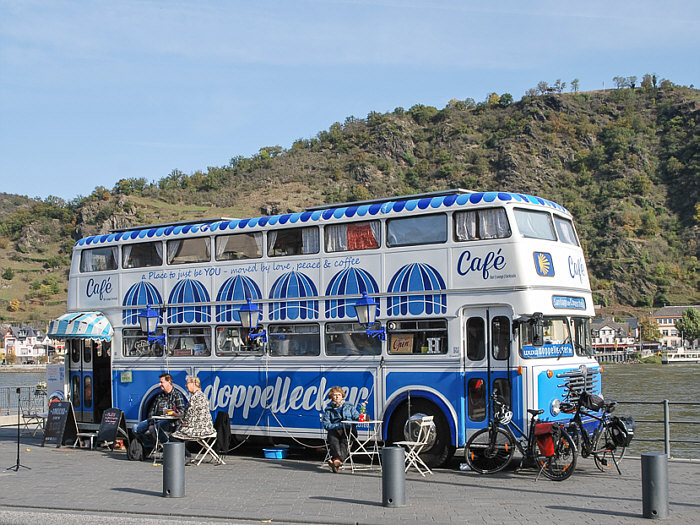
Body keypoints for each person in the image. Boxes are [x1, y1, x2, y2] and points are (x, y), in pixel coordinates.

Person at [132, 373, 186, 452]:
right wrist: (151, 423)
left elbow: (182, 410)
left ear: (169, 382)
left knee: (156, 428)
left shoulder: (177, 395)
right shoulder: (159, 396)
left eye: (161, 382)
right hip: (155, 420)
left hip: (170, 421)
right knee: (135, 428)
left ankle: (169, 448)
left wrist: (172, 412)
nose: (159, 384)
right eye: (159, 382)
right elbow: (152, 411)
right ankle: (149, 446)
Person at [321, 386, 360, 473]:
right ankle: (337, 461)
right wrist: (338, 427)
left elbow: (356, 416)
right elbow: (326, 424)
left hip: (348, 429)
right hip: (335, 430)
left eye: (339, 395)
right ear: (331, 397)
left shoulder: (349, 406)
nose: (337, 397)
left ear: (342, 396)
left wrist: (362, 417)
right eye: (335, 395)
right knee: (333, 438)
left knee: (345, 440)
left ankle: (336, 460)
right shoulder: (328, 410)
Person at [171, 375, 215, 440]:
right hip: (207, 428)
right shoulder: (203, 395)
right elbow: (192, 413)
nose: (186, 385)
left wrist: (182, 423)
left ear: (193, 383)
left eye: (187, 383)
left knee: (173, 436)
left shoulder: (195, 398)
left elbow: (189, 416)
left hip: (197, 429)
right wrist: (177, 415)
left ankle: (180, 447)